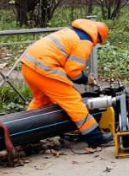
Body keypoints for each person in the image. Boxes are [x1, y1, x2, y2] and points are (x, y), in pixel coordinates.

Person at [20, 19, 112, 148]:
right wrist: (86, 80)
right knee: (73, 100)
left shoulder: (70, 32)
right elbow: (73, 72)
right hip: (45, 68)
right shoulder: (85, 41)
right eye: (97, 43)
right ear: (98, 36)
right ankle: (95, 137)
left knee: (41, 100)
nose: (95, 45)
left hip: (28, 64)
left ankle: (26, 137)